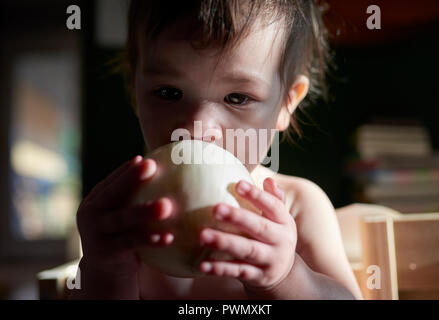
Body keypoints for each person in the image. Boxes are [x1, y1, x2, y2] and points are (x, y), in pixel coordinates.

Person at [70, 0, 363, 299]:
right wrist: (106, 271)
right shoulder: (126, 215)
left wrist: (286, 277)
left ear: (286, 103)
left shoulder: (299, 207)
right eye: (168, 93)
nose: (197, 129)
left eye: (237, 97)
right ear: (135, 89)